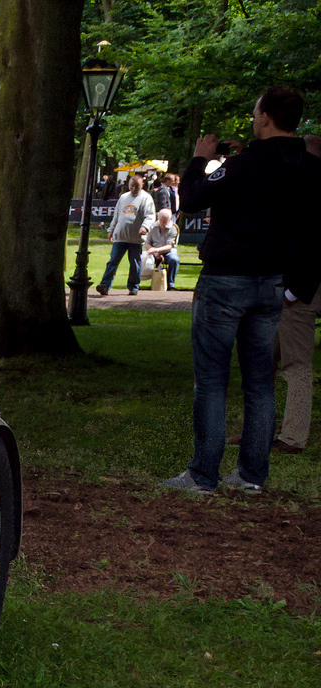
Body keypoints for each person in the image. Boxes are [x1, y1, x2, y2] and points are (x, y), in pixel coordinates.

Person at [161, 85, 320, 494]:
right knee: (260, 382)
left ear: (265, 117)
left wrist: (201, 159)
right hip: (272, 285)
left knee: (212, 381)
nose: (253, 120)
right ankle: (251, 475)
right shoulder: (307, 166)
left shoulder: (248, 165)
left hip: (227, 281)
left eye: (255, 115)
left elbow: (194, 197)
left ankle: (203, 474)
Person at [269, 133, 321, 455]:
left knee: (297, 365)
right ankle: (262, 426)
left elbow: (312, 246)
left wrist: (293, 292)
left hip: (303, 290)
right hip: (300, 287)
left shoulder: (309, 188)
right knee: (266, 358)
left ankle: (292, 438)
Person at [96, 174, 156, 295]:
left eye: (136, 186)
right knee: (113, 261)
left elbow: (150, 216)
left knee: (135, 264)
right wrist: (111, 230)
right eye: (132, 185)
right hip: (120, 236)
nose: (133, 188)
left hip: (136, 238)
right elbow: (117, 216)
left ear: (142, 185)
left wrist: (145, 227)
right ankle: (104, 285)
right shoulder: (123, 197)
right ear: (128, 185)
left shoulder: (146, 198)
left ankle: (133, 287)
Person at [143, 207, 182, 291]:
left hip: (168, 251)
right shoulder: (152, 227)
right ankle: (138, 281)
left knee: (174, 259)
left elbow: (169, 246)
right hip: (154, 251)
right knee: (141, 257)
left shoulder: (174, 228)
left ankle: (170, 284)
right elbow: (147, 243)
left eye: (166, 220)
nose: (163, 222)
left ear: (170, 218)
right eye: (161, 220)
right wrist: (155, 253)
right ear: (158, 217)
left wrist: (157, 250)